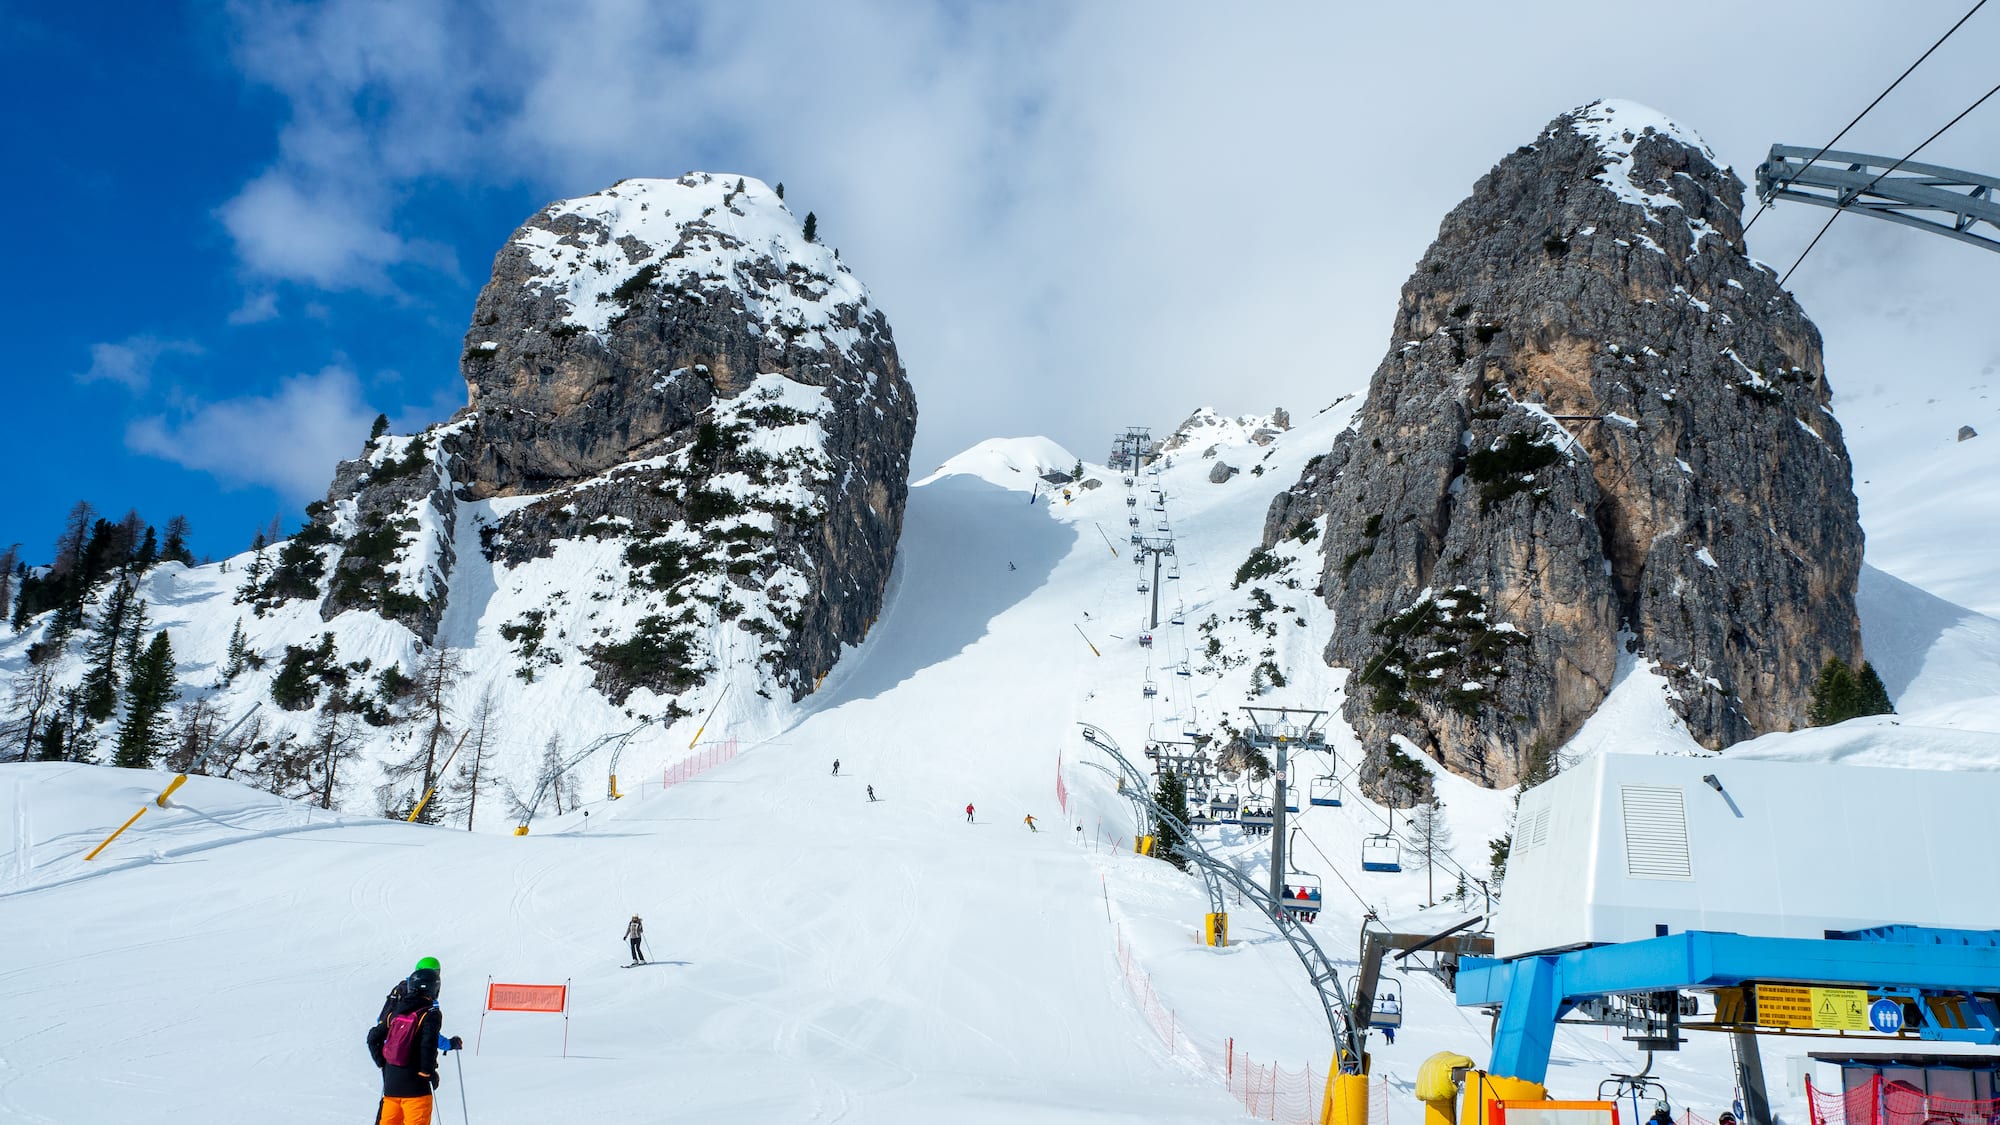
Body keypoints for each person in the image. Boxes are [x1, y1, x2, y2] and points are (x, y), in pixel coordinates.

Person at [367, 958, 461, 1125]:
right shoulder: (429, 1008)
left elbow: (376, 1033)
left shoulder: (398, 1000)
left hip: (392, 1074)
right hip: (414, 1082)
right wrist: (428, 1072)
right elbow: (428, 1040)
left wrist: (384, 1063)